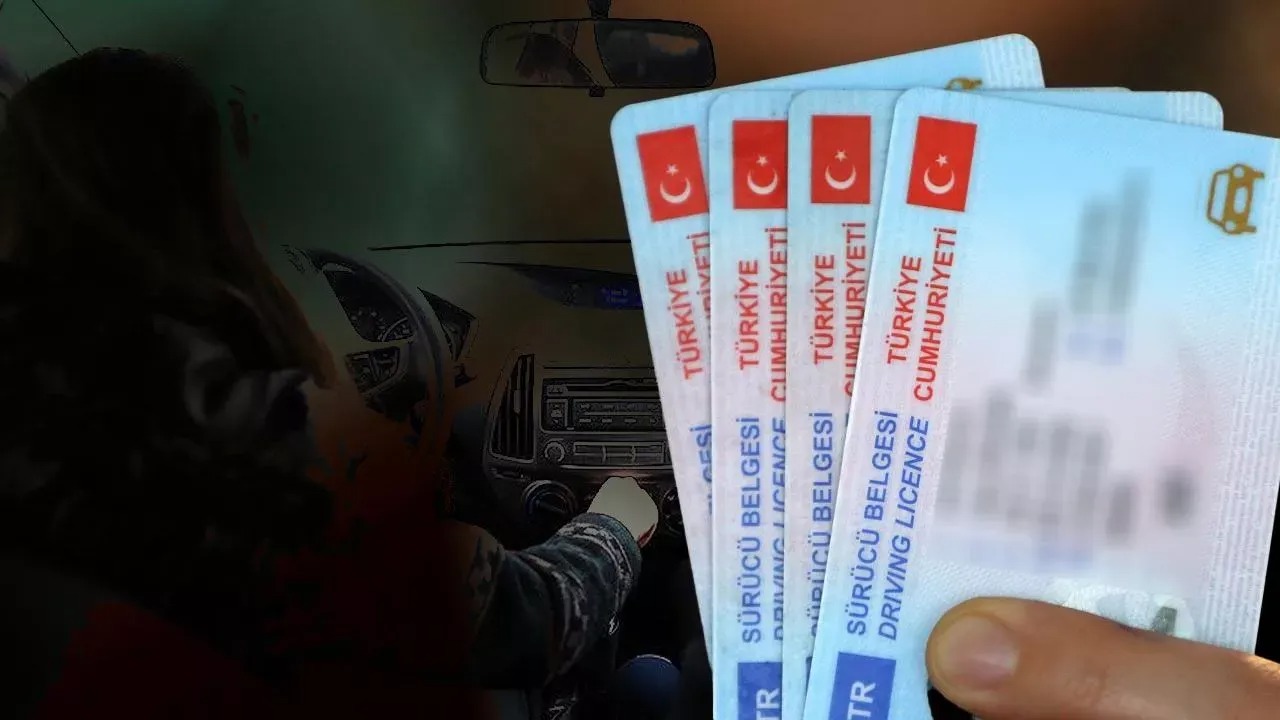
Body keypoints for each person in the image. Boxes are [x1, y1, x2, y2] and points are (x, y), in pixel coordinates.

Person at [0, 47, 657, 718]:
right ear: (207, 206)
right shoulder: (248, 449)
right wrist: (613, 525)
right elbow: (529, 619)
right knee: (652, 687)